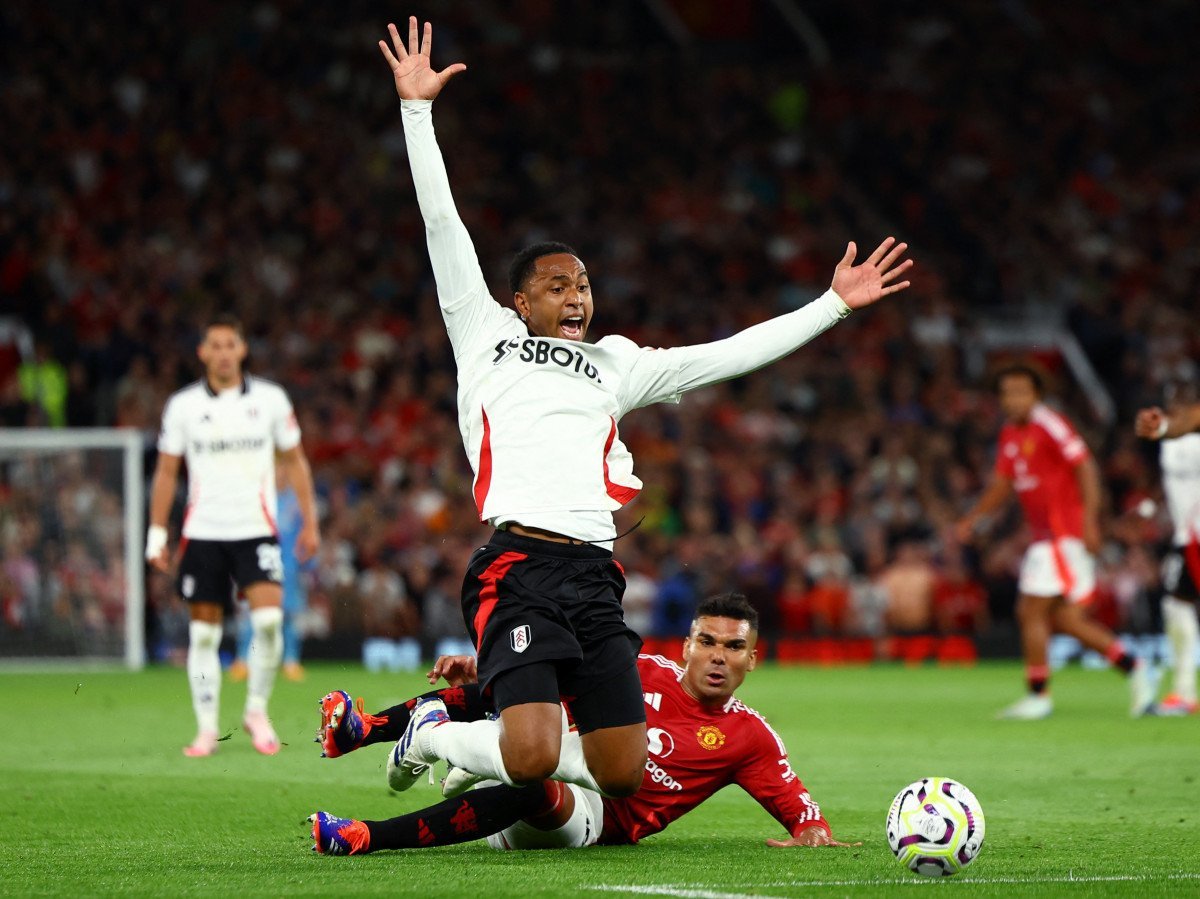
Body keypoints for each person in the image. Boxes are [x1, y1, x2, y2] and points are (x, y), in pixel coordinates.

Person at [375, 17, 914, 799]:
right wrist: (417, 113)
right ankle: (434, 734)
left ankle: (467, 739)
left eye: (584, 284)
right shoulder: (481, 331)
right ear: (520, 299)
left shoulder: (616, 365)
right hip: (519, 565)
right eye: (558, 285)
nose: (576, 295)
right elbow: (441, 223)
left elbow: (725, 353)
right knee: (530, 758)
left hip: (594, 572)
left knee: (622, 771)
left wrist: (830, 305)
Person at [306, 593, 858, 855]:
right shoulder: (638, 670)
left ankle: (364, 837)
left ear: (751, 659)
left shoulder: (748, 736)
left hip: (596, 817)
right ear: (688, 645)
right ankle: (363, 727)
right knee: (503, 694)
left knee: (534, 784)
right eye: (707, 642)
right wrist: (496, 664)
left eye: (734, 647)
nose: (718, 656)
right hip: (553, 744)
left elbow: (800, 812)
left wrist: (812, 834)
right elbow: (541, 673)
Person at [146, 314, 320, 756]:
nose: (223, 353)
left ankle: (255, 711)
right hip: (202, 531)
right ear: (203, 352)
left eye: (230, 345)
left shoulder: (270, 400)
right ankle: (207, 727)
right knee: (203, 635)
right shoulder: (183, 406)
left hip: (256, 529)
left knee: (268, 622)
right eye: (215, 345)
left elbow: (295, 461)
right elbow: (166, 471)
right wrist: (155, 533)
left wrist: (310, 521)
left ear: (242, 350)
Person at [956, 363, 1152, 719]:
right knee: (1065, 620)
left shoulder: (1050, 424)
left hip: (1064, 534)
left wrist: (1090, 520)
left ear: (1037, 395)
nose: (1014, 399)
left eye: (1021, 392)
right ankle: (1134, 665)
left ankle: (1039, 695)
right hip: (1044, 537)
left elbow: (1085, 466)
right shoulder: (1009, 434)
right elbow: (1003, 485)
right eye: (1007, 393)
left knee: (1031, 611)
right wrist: (974, 518)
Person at [1135, 392, 1200, 715]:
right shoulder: (1172, 441)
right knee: (1175, 605)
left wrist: (1164, 428)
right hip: (1187, 536)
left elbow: (1186, 420)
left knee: (1177, 605)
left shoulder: (1189, 423)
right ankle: (1185, 692)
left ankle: (1185, 691)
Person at [230, 478, 315, 683]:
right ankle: (243, 660)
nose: (281, 473)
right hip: (260, 561)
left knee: (289, 614)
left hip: (289, 564)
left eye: (284, 469)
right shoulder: (259, 498)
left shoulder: (297, 502)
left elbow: (305, 532)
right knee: (253, 611)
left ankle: (291, 661)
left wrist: (306, 562)